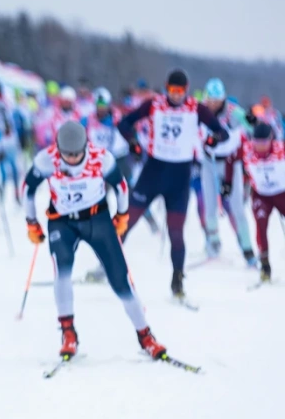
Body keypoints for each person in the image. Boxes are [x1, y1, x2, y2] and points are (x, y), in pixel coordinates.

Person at [22, 121, 166, 359]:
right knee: (62, 273)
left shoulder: (101, 159)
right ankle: (68, 333)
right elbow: (28, 190)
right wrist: (31, 222)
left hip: (96, 219)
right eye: (66, 154)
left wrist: (121, 215)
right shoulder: (46, 160)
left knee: (120, 280)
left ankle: (146, 336)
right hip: (62, 222)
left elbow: (121, 187)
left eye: (76, 154)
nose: (71, 159)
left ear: (85, 147)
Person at [116, 69, 228, 298]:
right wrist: (133, 143)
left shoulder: (196, 108)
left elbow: (222, 133)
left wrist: (212, 139)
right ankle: (109, 265)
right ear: (166, 88)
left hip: (179, 177)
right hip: (153, 172)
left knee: (176, 232)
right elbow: (124, 124)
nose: (176, 95)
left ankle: (177, 280)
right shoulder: (154, 104)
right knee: (127, 221)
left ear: (187, 90)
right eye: (172, 90)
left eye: (180, 91)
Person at [197, 79, 255, 264]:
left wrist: (252, 121)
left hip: (231, 163)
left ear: (223, 99)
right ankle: (213, 243)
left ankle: (247, 249)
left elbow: (252, 125)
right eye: (210, 100)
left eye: (217, 100)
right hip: (209, 162)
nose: (213, 104)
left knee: (237, 207)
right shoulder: (200, 109)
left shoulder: (233, 111)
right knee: (210, 207)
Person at [224, 123, 285, 282]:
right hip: (261, 195)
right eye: (257, 142)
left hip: (281, 193)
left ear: (271, 139)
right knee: (261, 225)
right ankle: (265, 266)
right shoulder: (247, 149)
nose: (260, 146)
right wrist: (228, 183)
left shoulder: (281, 149)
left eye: (264, 142)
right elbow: (230, 159)